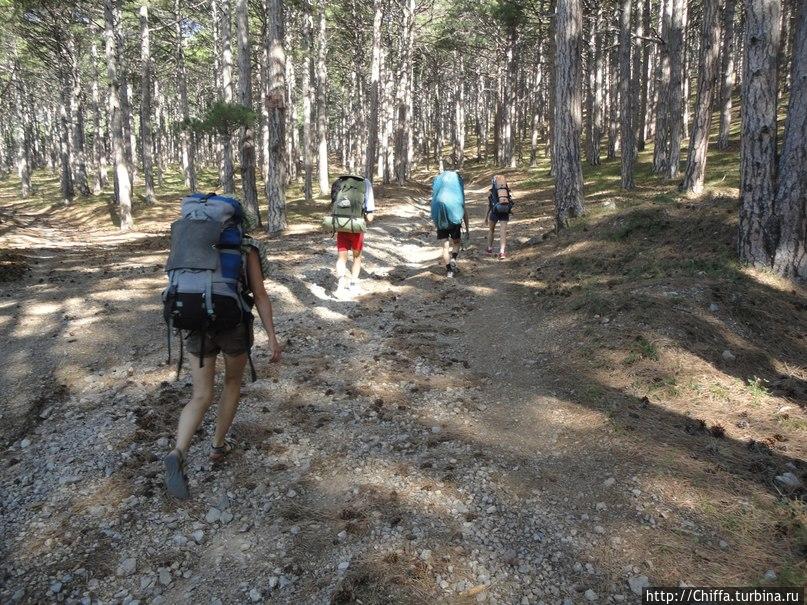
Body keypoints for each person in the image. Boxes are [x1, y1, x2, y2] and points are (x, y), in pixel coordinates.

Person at [164, 210, 281, 500]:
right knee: (231, 384)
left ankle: (178, 451)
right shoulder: (246, 246)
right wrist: (272, 336)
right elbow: (260, 294)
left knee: (200, 395)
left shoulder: (187, 241)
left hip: (195, 322)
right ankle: (217, 445)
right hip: (233, 325)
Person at [332, 175, 375, 297]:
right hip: (356, 227)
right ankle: (353, 284)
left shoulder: (339, 181)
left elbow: (333, 204)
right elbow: (370, 215)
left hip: (341, 227)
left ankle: (340, 285)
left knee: (341, 258)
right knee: (357, 257)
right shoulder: (365, 183)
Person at [431, 170, 469, 278]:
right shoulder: (456, 195)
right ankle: (453, 259)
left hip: (441, 220)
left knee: (445, 247)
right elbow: (464, 213)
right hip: (454, 220)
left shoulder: (440, 194)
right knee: (456, 243)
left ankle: (449, 271)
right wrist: (467, 228)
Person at [485, 174, 514, 259]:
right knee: (503, 231)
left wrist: (486, 217)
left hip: (494, 211)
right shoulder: (506, 189)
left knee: (491, 230)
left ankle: (489, 248)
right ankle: (502, 252)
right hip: (505, 210)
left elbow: (489, 204)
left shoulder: (492, 190)